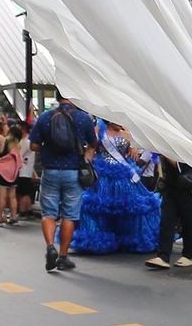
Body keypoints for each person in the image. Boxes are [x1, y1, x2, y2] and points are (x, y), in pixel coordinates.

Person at [28, 90, 97, 271]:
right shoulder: (84, 118)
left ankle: (50, 247)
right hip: (74, 172)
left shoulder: (45, 117)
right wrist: (86, 157)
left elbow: (33, 145)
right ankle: (63, 256)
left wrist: (47, 146)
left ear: (57, 98)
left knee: (49, 214)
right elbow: (93, 143)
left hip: (50, 171)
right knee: (69, 215)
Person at [72, 120, 161, 254]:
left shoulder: (127, 134)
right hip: (103, 175)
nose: (120, 123)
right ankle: (101, 240)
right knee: (101, 208)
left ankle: (126, 239)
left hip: (124, 174)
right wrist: (85, 168)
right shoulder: (98, 131)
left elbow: (133, 153)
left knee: (129, 207)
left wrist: (133, 150)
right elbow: (90, 151)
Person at [145, 156, 192, 269]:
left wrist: (166, 154)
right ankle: (163, 256)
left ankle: (188, 255)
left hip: (188, 188)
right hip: (170, 187)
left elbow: (182, 167)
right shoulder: (169, 146)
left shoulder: (187, 147)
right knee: (166, 222)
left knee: (188, 223)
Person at [0, 114, 23, 226]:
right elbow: (8, 131)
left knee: (2, 196)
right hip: (14, 173)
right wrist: (4, 122)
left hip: (2, 173)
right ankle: (13, 217)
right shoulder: (18, 145)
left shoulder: (3, 141)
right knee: (12, 196)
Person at [16, 122, 38, 219]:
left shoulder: (25, 142)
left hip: (23, 170)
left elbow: (19, 155)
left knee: (22, 193)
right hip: (27, 170)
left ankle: (22, 211)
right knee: (27, 192)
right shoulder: (29, 141)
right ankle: (29, 210)